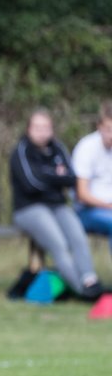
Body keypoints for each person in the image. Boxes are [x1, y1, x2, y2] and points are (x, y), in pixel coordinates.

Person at [9, 109, 101, 298]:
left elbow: (71, 179)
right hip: (29, 208)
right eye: (37, 127)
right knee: (59, 244)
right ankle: (83, 291)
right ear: (28, 129)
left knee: (78, 237)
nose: (41, 132)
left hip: (57, 206)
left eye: (46, 127)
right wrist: (54, 175)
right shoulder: (21, 151)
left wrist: (47, 175)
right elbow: (31, 184)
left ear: (52, 129)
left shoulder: (58, 148)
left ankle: (90, 281)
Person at [70, 101, 112, 263]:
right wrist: (109, 207)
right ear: (99, 126)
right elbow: (82, 194)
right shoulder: (87, 147)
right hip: (86, 212)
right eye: (109, 129)